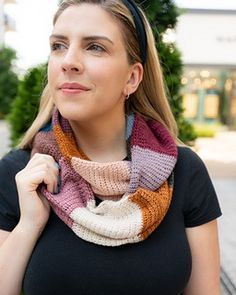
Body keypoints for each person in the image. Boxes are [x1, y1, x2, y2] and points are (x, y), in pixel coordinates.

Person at [0, 0, 222, 294]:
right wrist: (29, 225)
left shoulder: (182, 172)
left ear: (131, 78)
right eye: (58, 45)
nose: (69, 61)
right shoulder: (22, 174)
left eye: (95, 47)